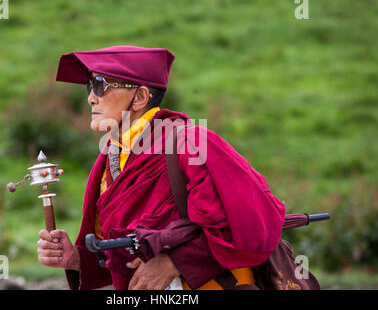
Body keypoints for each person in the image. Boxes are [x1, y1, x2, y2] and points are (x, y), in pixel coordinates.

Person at [36, 46, 286, 290]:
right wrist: (76, 259)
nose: (91, 97)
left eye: (101, 84)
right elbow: (122, 255)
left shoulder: (191, 143)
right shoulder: (110, 157)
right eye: (90, 86)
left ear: (141, 97)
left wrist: (175, 262)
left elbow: (254, 223)